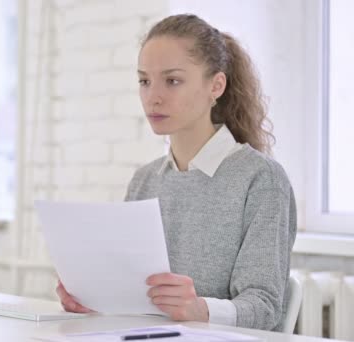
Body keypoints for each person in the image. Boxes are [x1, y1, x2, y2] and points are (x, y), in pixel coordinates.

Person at [55, 14, 297, 332]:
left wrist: (200, 309)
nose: (153, 96)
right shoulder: (144, 181)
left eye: (172, 81)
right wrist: (92, 298)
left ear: (216, 85)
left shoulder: (261, 180)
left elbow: (264, 308)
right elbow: (132, 297)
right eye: (144, 81)